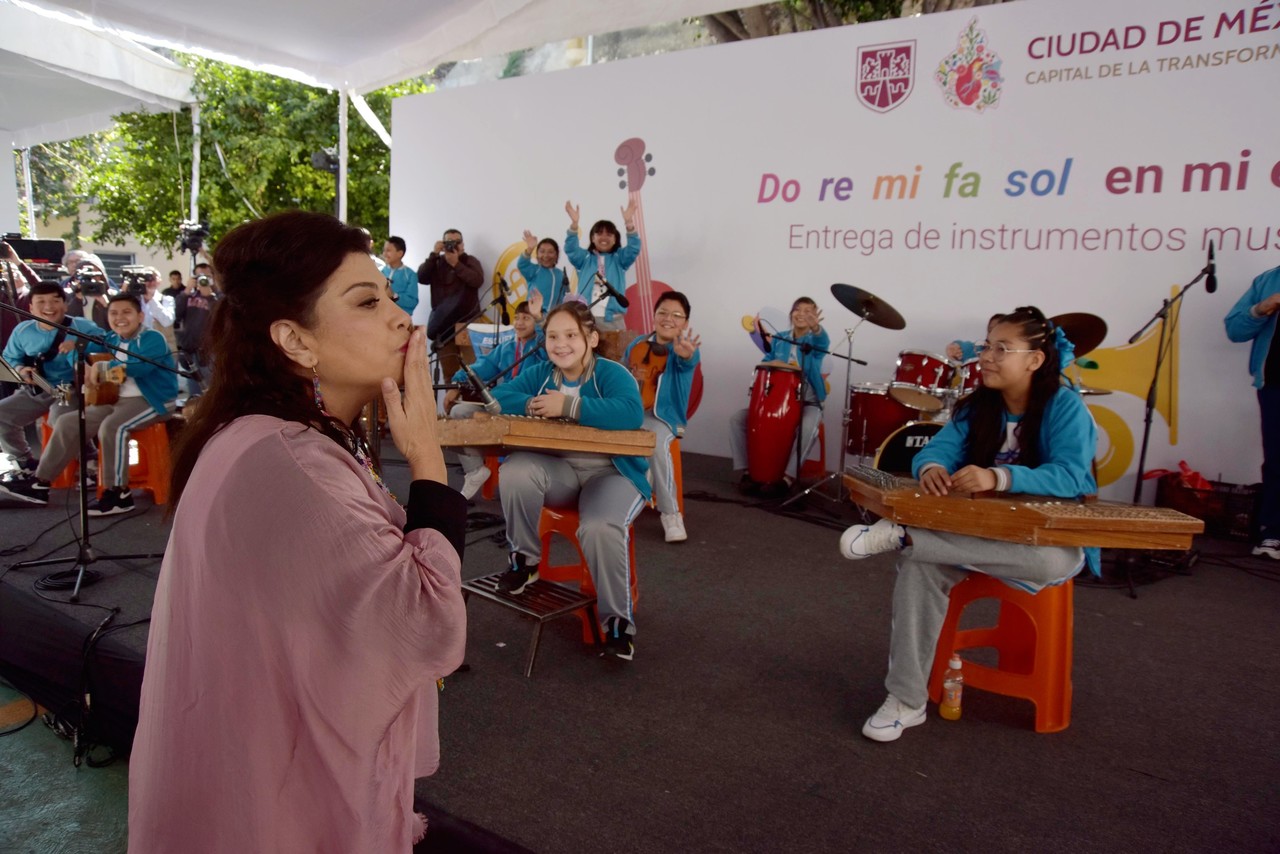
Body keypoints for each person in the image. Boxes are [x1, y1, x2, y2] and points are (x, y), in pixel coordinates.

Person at [127, 211, 467, 852]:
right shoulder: (289, 459)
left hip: (257, 776)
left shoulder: (281, 437)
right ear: (295, 340)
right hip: (274, 803)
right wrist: (427, 457)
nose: (400, 317)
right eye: (368, 301)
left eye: (392, 296)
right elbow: (425, 617)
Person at [839, 306, 1096, 743]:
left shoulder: (1065, 407)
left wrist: (1000, 476)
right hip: (972, 534)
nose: (987, 357)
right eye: (986, 346)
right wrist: (932, 467)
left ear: (1034, 360)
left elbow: (1073, 476)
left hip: (1035, 541)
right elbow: (934, 450)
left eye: (1002, 348)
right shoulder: (977, 406)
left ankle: (908, 537)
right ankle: (906, 700)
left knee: (1056, 562)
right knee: (921, 570)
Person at [489, 300, 649, 660]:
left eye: (571, 335)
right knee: (515, 468)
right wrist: (532, 403)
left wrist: (570, 407)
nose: (560, 344)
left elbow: (630, 411)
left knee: (599, 527)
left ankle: (617, 623)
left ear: (591, 338)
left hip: (612, 474)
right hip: (561, 473)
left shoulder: (610, 373)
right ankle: (524, 562)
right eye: (552, 336)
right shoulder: (542, 373)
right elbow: (498, 398)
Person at [0, 293, 178, 513]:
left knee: (113, 427)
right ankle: (40, 483)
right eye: (114, 313)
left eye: (126, 312)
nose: (119, 317)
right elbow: (85, 355)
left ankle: (118, 493)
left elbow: (139, 367)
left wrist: (101, 368)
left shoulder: (151, 338)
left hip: (154, 400)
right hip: (118, 400)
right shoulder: (111, 340)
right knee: (68, 422)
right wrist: (77, 353)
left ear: (140, 316)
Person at [446, 297, 547, 499]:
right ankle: (475, 470)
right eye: (517, 318)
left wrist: (541, 321)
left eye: (526, 318)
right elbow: (480, 368)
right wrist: (455, 385)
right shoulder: (507, 347)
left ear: (537, 320)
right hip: (504, 408)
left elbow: (549, 348)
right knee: (458, 412)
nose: (519, 322)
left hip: (534, 411)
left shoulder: (544, 346)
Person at [0, 282, 104, 477]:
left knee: (61, 419)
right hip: (38, 387)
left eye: (55, 301)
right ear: (30, 307)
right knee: (2, 414)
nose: (48, 307)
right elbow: (9, 358)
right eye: (41, 302)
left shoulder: (82, 326)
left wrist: (78, 344)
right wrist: (21, 370)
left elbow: (107, 345)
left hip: (69, 388)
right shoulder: (23, 331)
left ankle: (89, 459)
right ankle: (24, 461)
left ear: (65, 304)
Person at [728, 296, 829, 497]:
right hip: (778, 402)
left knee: (809, 427)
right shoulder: (780, 338)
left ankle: (787, 479)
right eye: (798, 310)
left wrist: (816, 328)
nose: (802, 314)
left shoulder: (813, 342)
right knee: (737, 419)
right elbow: (767, 362)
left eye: (808, 311)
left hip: (808, 401)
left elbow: (823, 341)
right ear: (791, 314)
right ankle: (749, 471)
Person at [623, 291, 701, 542]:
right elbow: (624, 377)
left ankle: (670, 514)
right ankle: (616, 502)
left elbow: (688, 361)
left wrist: (686, 354)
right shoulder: (636, 344)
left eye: (677, 315)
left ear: (685, 323)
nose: (669, 319)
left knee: (654, 442)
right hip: (632, 413)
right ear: (654, 316)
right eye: (663, 312)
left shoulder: (683, 349)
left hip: (663, 418)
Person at [1225, 263, 1280, 559]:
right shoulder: (1268, 280)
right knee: (1277, 462)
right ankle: (1272, 533)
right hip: (1275, 385)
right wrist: (1262, 308)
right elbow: (1234, 329)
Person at [417, 228, 484, 382]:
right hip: (443, 324)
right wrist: (433, 255)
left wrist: (456, 264)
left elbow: (477, 281)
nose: (453, 245)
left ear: (463, 244)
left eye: (457, 242)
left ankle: (470, 404)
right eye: (449, 242)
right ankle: (450, 404)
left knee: (472, 369)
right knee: (449, 371)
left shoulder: (470, 261)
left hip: (466, 322)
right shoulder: (437, 262)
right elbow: (422, 277)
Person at [563, 200, 640, 332]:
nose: (604, 237)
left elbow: (633, 249)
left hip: (613, 320)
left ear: (615, 239)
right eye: (599, 233)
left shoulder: (619, 259)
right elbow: (571, 249)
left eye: (609, 234)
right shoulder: (584, 258)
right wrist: (574, 225)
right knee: (585, 352)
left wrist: (629, 224)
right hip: (586, 318)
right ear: (592, 238)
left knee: (616, 353)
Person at [174, 263, 219, 398]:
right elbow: (176, 315)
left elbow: (220, 317)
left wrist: (210, 297)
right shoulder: (188, 296)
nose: (203, 279)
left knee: (211, 392)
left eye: (207, 276)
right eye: (200, 276)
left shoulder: (219, 296)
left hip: (209, 352)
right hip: (189, 349)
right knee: (195, 394)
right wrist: (186, 291)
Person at [517, 230, 570, 312]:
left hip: (553, 319)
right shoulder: (534, 270)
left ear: (556, 255)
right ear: (537, 254)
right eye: (542, 251)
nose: (546, 255)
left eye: (550, 252)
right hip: (534, 317)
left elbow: (566, 296)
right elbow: (522, 264)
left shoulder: (561, 274)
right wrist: (530, 248)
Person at [382, 235, 419, 317]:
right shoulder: (380, 272)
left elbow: (412, 302)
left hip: (401, 320)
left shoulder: (410, 275)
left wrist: (394, 295)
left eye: (388, 250)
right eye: (384, 250)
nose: (384, 254)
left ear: (400, 253)